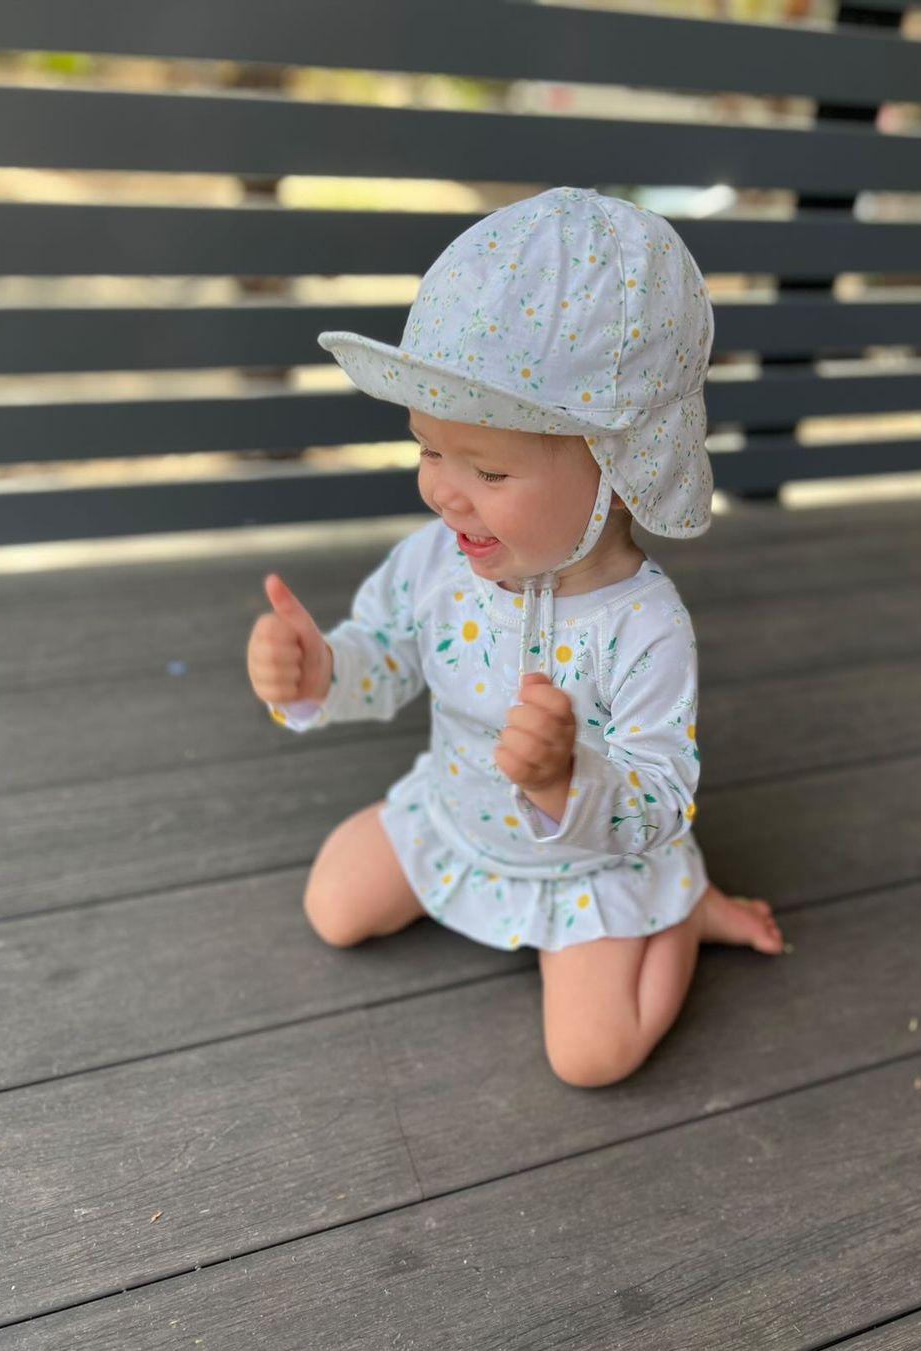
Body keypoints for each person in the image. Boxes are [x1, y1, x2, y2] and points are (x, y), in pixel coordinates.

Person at [247, 185, 785, 1088]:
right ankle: (619, 899)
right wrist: (318, 667)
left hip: (591, 863)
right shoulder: (437, 560)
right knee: (334, 904)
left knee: (593, 1056)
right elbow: (386, 657)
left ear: (618, 472)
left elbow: (662, 793)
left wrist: (568, 779)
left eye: (489, 468)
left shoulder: (643, 626)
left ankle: (681, 911)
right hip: (455, 819)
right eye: (427, 449)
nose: (444, 492)